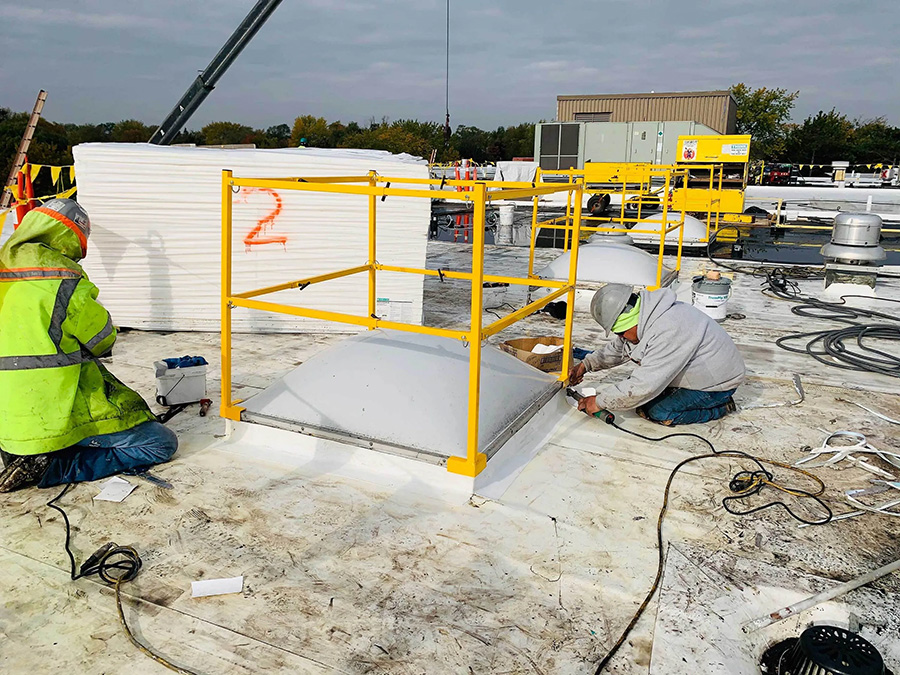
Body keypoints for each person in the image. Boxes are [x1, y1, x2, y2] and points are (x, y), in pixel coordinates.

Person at [0, 199, 177, 492]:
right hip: (54, 414)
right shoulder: (65, 278)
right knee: (160, 443)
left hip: (9, 428)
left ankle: (27, 455)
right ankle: (55, 464)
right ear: (72, 237)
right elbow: (102, 339)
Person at [569, 283, 745, 425]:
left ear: (630, 322)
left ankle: (722, 407)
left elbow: (643, 386)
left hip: (717, 383)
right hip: (704, 370)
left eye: (621, 333)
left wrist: (599, 402)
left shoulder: (669, 330)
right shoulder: (647, 314)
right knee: (642, 400)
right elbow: (619, 348)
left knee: (658, 411)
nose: (621, 338)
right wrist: (585, 365)